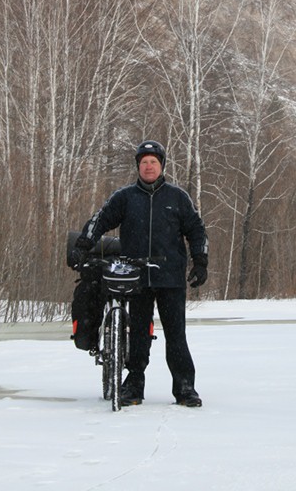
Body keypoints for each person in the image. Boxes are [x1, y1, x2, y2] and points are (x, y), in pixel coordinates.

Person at [70, 140, 208, 407]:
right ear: (138, 167)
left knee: (176, 335)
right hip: (135, 277)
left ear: (161, 166)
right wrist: (83, 246)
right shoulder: (125, 197)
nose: (148, 166)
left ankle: (185, 388)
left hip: (170, 277)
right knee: (139, 336)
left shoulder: (178, 197)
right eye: (143, 162)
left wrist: (200, 261)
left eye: (153, 162)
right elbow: (100, 220)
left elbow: (197, 229)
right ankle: (133, 385)